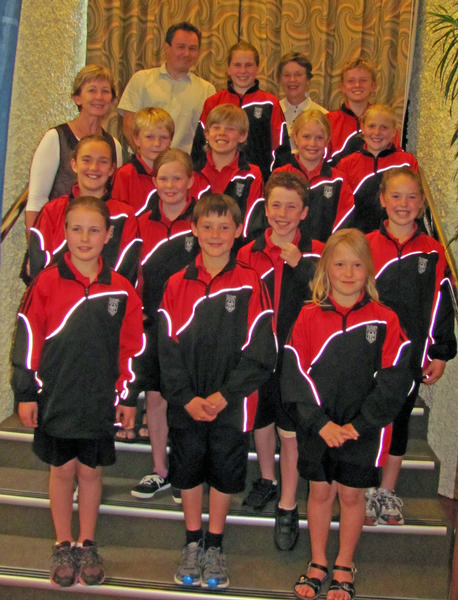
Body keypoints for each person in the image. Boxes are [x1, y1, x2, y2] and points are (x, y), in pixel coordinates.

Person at [11, 196, 144, 588]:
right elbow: (28, 339)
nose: (84, 237)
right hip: (56, 397)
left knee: (90, 471)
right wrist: (26, 392)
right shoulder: (47, 282)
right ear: (64, 233)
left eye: (93, 230)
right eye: (75, 229)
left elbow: (132, 347)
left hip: (100, 400)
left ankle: (87, 543)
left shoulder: (121, 289)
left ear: (107, 236)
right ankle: (62, 543)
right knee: (62, 470)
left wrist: (127, 397)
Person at [281, 228, 412, 600]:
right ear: (326, 270)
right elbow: (294, 375)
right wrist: (321, 424)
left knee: (352, 497)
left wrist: (357, 425)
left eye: (357, 265)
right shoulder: (307, 317)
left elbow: (393, 381)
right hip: (318, 427)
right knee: (320, 492)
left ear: (369, 271)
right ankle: (318, 561)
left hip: (361, 431)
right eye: (340, 264)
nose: (349, 272)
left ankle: (344, 563)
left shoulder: (385, 319)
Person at [157, 193, 277, 589]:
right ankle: (192, 542)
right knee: (189, 470)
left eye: (225, 227)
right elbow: (167, 350)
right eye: (206, 226)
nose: (215, 234)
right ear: (194, 229)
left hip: (232, 405)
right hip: (187, 403)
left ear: (239, 231)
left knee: (225, 475)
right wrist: (187, 398)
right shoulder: (176, 283)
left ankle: (215, 546)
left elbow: (261, 351)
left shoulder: (250, 282)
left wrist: (225, 396)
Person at [365, 167, 457, 526]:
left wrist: (439, 351)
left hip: (410, 356)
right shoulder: (366, 244)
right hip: (369, 354)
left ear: (421, 205)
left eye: (412, 197)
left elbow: (441, 303)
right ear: (383, 200)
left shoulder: (432, 252)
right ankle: (366, 487)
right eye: (396, 196)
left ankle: (387, 491)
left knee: (399, 421)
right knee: (369, 421)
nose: (404, 204)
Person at [237, 171, 323, 552]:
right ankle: (267, 480)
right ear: (265, 208)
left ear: (304, 212)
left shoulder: (318, 252)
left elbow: (328, 297)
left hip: (296, 358)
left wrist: (301, 264)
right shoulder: (247, 250)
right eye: (276, 205)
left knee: (290, 431)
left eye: (291, 206)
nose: (283, 213)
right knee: (262, 420)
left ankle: (288, 504)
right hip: (257, 353)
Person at [128, 148, 198, 491]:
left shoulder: (204, 220)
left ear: (190, 181)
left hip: (194, 326)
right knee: (155, 397)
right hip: (154, 324)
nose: (170, 185)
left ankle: (187, 472)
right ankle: (159, 468)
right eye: (163, 178)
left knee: (187, 397)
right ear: (153, 181)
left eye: (177, 178)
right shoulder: (139, 222)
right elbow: (129, 273)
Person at [28, 135, 141, 286]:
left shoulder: (125, 215)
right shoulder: (52, 210)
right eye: (86, 160)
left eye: (103, 162)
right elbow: (38, 263)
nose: (94, 168)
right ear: (74, 164)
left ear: (112, 169)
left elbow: (128, 268)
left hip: (106, 300)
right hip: (58, 299)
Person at [26, 64, 122, 237]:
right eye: (92, 90)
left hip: (97, 239)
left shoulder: (114, 146)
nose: (99, 97)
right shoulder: (55, 138)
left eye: (105, 91)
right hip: (58, 235)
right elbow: (37, 199)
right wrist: (35, 253)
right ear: (77, 98)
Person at [191, 41, 291, 182]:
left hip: (257, 181)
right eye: (237, 65)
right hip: (217, 181)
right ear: (228, 69)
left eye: (248, 65)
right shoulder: (214, 102)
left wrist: (275, 182)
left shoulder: (270, 103)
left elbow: (281, 149)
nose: (243, 71)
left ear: (257, 68)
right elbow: (200, 147)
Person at [118, 22, 215, 154]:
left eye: (192, 48)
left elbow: (209, 134)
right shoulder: (141, 80)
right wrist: (146, 161)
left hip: (184, 168)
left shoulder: (207, 90)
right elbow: (129, 125)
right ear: (166, 47)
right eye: (181, 47)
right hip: (143, 166)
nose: (186, 53)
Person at [274, 109, 355, 242]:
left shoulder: (338, 180)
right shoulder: (280, 175)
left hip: (323, 256)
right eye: (306, 136)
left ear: (327, 140)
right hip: (286, 251)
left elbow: (344, 225)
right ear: (295, 137)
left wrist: (328, 251)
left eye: (319, 138)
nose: (312, 144)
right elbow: (273, 219)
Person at [191, 103, 265, 246]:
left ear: (242, 136)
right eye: (216, 127)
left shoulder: (252, 174)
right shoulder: (192, 172)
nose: (222, 133)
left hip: (237, 249)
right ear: (206, 134)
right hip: (197, 247)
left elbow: (252, 222)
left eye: (230, 129)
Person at [338, 103, 418, 234]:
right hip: (359, 237)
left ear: (394, 131)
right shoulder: (346, 164)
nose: (377, 133)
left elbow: (414, 201)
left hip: (397, 234)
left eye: (384, 127)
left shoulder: (406, 162)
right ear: (362, 128)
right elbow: (343, 209)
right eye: (371, 126)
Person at [111, 107, 174, 216]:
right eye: (149, 137)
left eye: (163, 137)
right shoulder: (125, 174)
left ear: (171, 141)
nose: (157, 143)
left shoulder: (176, 173)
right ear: (136, 139)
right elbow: (118, 214)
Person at [326, 58, 377, 167]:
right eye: (351, 81)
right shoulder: (328, 121)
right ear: (342, 87)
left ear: (373, 86)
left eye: (363, 80)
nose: (357, 85)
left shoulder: (384, 122)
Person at [277, 51, 328, 151]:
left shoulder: (323, 115)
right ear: (280, 80)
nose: (292, 79)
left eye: (298, 74)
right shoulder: (273, 112)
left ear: (308, 79)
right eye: (287, 75)